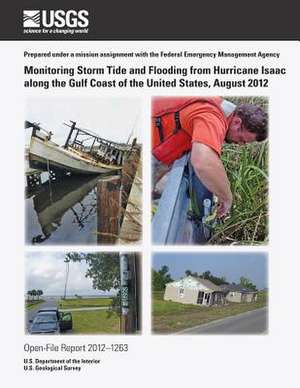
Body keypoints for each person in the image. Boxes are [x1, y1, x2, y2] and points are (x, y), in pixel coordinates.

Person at [152, 97, 268, 217]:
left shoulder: (221, 110)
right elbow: (203, 162)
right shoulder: (212, 118)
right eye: (241, 139)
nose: (240, 144)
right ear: (237, 123)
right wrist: (227, 197)